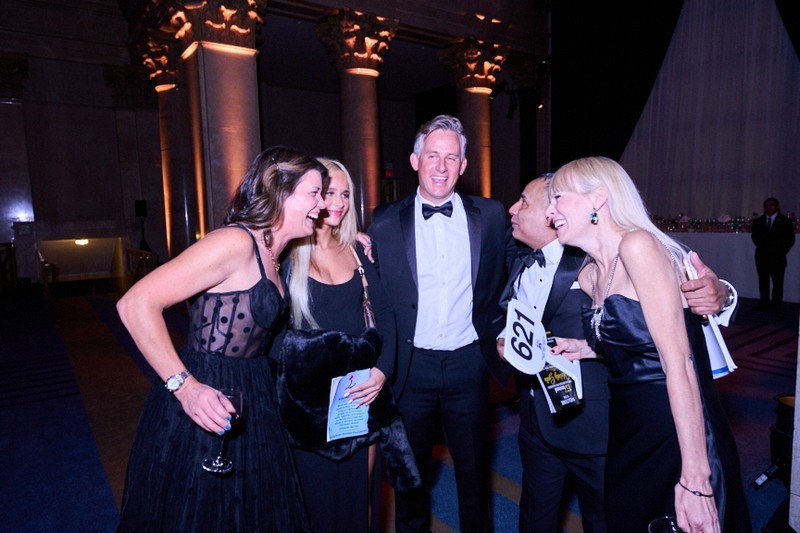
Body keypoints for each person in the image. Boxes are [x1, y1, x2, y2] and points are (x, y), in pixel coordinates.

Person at [498, 175, 738, 533]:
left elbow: (685, 284)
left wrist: (722, 293)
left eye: (529, 201)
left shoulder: (626, 248)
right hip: (544, 421)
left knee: (614, 518)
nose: (515, 209)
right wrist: (583, 346)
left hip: (612, 424)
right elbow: (623, 333)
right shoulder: (548, 262)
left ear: (596, 199)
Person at [116, 146, 328, 532]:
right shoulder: (235, 242)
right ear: (279, 191)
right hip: (205, 394)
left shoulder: (275, 252)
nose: (322, 204)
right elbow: (135, 304)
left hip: (252, 394)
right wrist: (186, 388)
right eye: (314, 193)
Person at [368, 115, 510, 533]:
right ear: (415, 161)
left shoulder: (491, 215)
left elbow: (517, 266)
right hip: (411, 367)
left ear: (463, 165)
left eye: (451, 157)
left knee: (474, 474)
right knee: (409, 476)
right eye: (432, 155)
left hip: (469, 362)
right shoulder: (384, 220)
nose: (441, 166)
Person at [283, 158, 396, 533]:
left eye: (345, 194)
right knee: (312, 507)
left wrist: (382, 372)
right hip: (307, 409)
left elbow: (386, 315)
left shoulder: (357, 250)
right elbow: (269, 337)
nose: (338, 202)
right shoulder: (286, 253)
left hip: (357, 398)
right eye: (329, 192)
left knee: (358, 503)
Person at [752, 197, 795, 311]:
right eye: (766, 205)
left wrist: (780, 251)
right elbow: (755, 238)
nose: (769, 207)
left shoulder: (785, 221)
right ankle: (764, 304)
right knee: (763, 282)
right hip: (762, 256)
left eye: (771, 205)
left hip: (778, 256)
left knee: (778, 282)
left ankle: (776, 305)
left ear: (777, 206)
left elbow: (790, 239)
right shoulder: (758, 221)